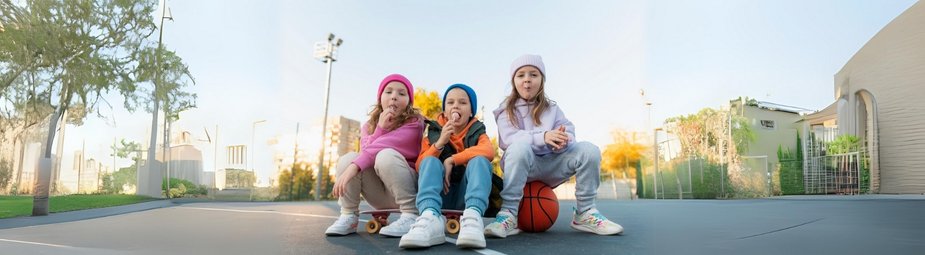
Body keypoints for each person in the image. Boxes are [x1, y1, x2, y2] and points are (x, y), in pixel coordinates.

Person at [485, 54, 623, 238]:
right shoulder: (505, 110)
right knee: (518, 148)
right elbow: (509, 139)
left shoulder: (553, 109)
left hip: (552, 164)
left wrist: (563, 141)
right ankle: (509, 213)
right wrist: (543, 137)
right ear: (514, 81)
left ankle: (585, 212)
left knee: (589, 150)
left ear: (542, 80)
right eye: (521, 75)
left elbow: (569, 131)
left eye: (533, 74)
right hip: (526, 167)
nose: (527, 79)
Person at [325, 74, 424, 237]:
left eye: (401, 93)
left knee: (384, 156)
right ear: (380, 98)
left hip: (406, 188)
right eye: (389, 92)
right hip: (378, 194)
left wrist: (353, 168)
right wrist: (379, 129)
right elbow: (366, 152)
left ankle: (410, 215)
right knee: (348, 159)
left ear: (408, 101)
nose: (394, 97)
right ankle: (349, 215)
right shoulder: (369, 126)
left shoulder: (415, 122)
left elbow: (384, 146)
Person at [399, 84, 497, 249]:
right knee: (429, 161)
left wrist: (452, 159)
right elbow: (420, 165)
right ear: (444, 110)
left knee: (480, 160)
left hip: (465, 197)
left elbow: (488, 150)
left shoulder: (478, 131)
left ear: (471, 111)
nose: (456, 106)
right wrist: (439, 143)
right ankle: (429, 217)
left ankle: (473, 217)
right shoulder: (434, 133)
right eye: (450, 102)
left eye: (463, 102)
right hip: (440, 196)